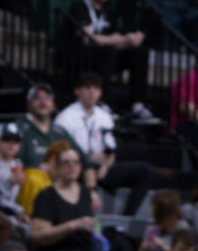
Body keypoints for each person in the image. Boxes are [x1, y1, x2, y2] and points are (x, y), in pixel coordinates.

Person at [54, 72, 158, 214]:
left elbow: (111, 149)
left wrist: (106, 165)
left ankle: (125, 221)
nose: (92, 92)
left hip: (102, 168)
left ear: (100, 93)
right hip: (77, 168)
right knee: (77, 171)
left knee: (145, 171)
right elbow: (61, 152)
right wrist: (88, 160)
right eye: (87, 87)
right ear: (77, 91)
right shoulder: (65, 117)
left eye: (96, 88)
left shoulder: (104, 116)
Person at [30, 145, 119, 251]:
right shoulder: (47, 195)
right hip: (59, 249)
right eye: (66, 162)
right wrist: (72, 225)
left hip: (86, 247)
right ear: (57, 167)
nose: (71, 166)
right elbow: (38, 235)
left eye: (76, 162)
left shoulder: (85, 192)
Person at [60, 0, 148, 101]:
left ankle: (138, 104)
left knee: (138, 53)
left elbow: (115, 39)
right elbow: (87, 39)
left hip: (103, 57)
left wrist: (130, 41)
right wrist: (120, 39)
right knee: (108, 51)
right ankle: (103, 102)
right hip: (80, 57)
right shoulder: (79, 6)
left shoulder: (110, 10)